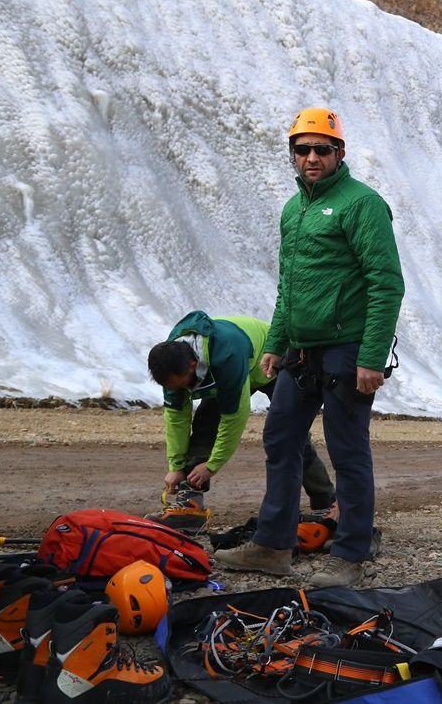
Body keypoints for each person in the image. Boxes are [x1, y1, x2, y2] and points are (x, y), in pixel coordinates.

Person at [214, 107, 403, 587]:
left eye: (322, 148)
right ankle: (273, 547)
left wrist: (371, 357)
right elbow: (289, 286)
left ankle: (350, 555)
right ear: (292, 154)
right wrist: (275, 343)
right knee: (280, 438)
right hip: (301, 351)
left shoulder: (363, 204)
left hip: (347, 348)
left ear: (341, 152)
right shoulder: (293, 209)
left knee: (347, 449)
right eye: (302, 149)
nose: (312, 157)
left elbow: (386, 284)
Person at [145, 311, 335, 531]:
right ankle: (190, 505)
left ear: (192, 365)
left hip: (277, 360)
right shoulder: (170, 359)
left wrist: (212, 465)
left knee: (292, 434)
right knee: (205, 423)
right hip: (243, 361)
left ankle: (326, 501)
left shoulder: (226, 357)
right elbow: (176, 416)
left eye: (182, 384)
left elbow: (234, 417)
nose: (180, 390)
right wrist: (176, 466)